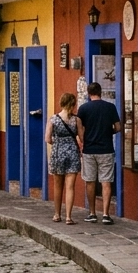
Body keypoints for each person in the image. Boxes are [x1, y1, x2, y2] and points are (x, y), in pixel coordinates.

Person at [78, 81, 122, 225]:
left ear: (89, 93)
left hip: (89, 150)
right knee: (106, 182)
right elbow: (118, 127)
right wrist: (110, 131)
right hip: (106, 149)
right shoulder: (110, 107)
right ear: (100, 92)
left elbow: (80, 129)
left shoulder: (83, 109)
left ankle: (91, 213)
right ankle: (105, 214)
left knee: (90, 182)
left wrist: (84, 140)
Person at [47, 93, 83, 224]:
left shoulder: (53, 119)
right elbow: (82, 138)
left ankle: (57, 214)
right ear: (73, 104)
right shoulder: (76, 120)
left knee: (58, 186)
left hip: (57, 153)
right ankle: (68, 216)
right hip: (72, 153)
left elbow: (47, 138)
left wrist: (58, 143)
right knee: (70, 187)